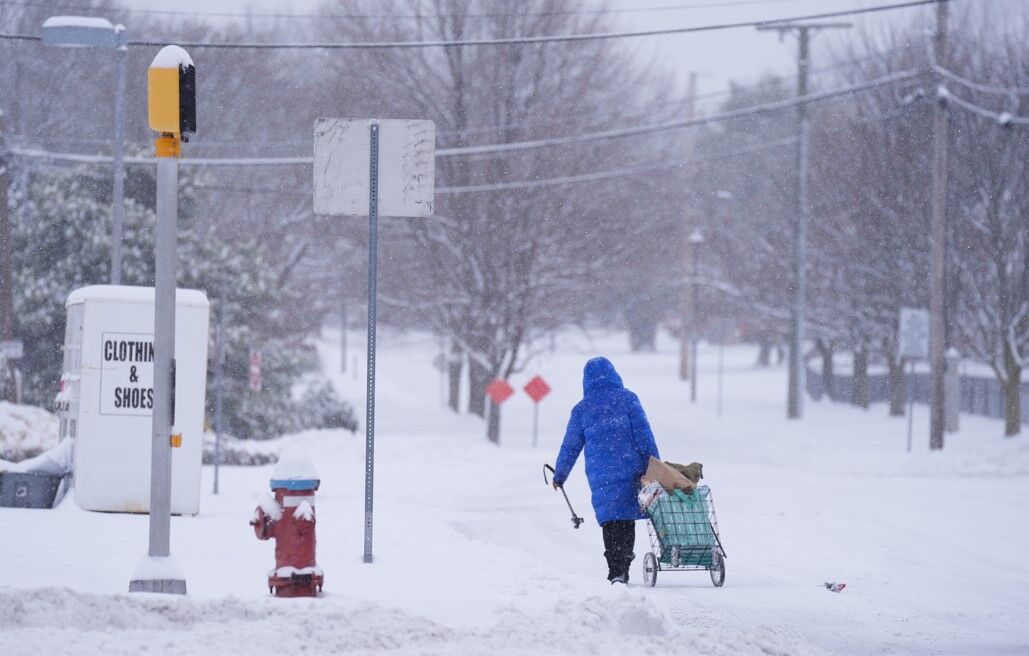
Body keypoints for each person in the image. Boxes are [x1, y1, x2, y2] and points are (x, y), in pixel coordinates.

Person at [551, 357, 660, 584]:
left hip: (601, 475)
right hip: (631, 470)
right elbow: (644, 434)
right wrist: (655, 465)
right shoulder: (628, 399)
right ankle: (624, 561)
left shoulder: (582, 410)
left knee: (610, 519)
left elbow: (570, 446)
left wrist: (560, 474)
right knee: (626, 517)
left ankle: (615, 568)